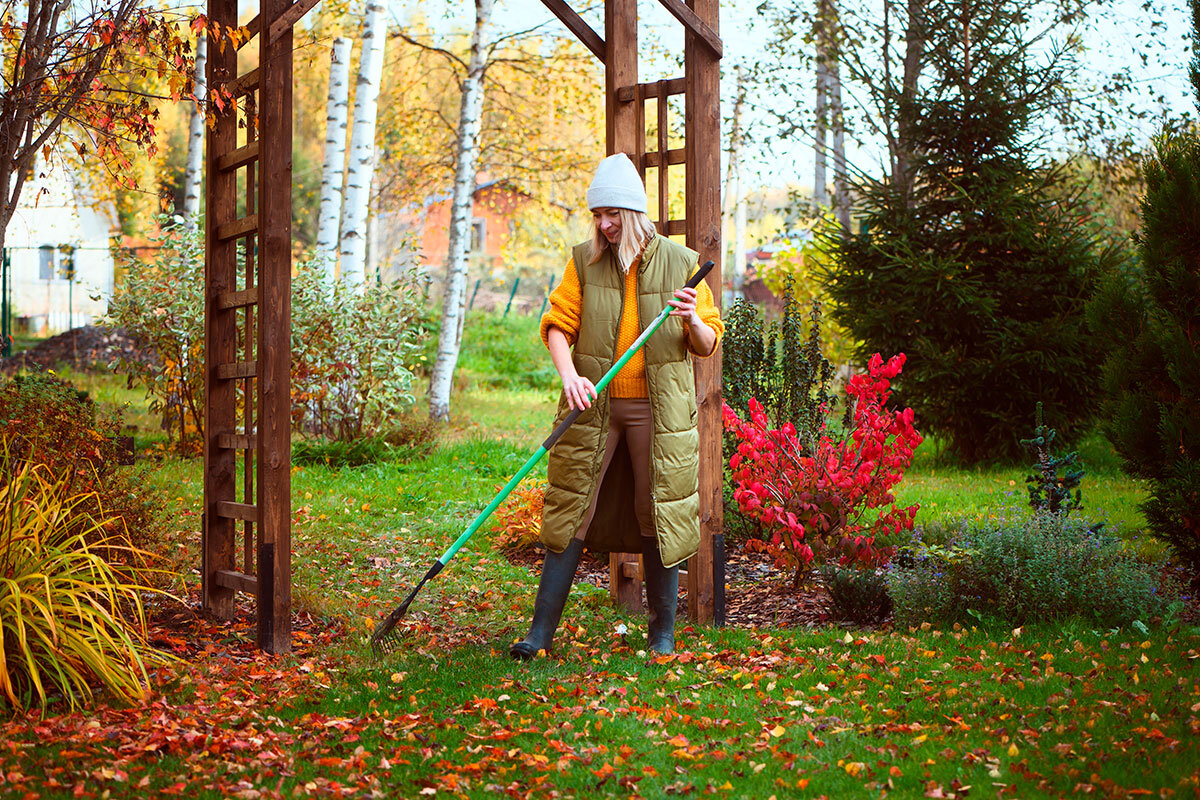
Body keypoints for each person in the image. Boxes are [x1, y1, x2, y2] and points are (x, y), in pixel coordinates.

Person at [509, 153, 724, 660]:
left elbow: (707, 342)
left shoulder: (682, 262)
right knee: (569, 509)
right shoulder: (583, 260)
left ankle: (662, 635)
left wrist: (693, 318)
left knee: (659, 512)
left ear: (632, 214)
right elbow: (557, 324)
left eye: (612, 215)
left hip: (657, 413)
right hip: (594, 406)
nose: (604, 225)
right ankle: (539, 636)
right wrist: (571, 377)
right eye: (597, 215)